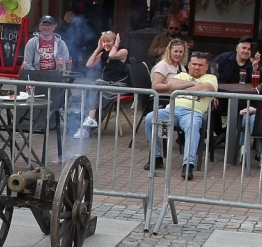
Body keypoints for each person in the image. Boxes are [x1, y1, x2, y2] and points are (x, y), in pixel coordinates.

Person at [144, 52, 217, 180]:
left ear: (206, 66)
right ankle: (156, 157)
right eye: (194, 64)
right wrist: (195, 86)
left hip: (193, 112)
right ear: (188, 65)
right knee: (150, 118)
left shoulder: (211, 77)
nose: (196, 67)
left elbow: (207, 90)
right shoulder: (181, 74)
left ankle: (188, 164)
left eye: (200, 65)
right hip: (171, 109)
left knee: (193, 125)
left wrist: (182, 87)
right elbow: (171, 85)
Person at [75, 31, 129, 138]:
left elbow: (112, 55)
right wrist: (98, 49)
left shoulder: (123, 51)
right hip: (107, 84)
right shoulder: (103, 53)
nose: (105, 44)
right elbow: (89, 64)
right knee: (94, 88)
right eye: (103, 42)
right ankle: (89, 123)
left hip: (120, 85)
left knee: (98, 93)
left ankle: (87, 127)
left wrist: (116, 44)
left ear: (114, 41)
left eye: (108, 41)